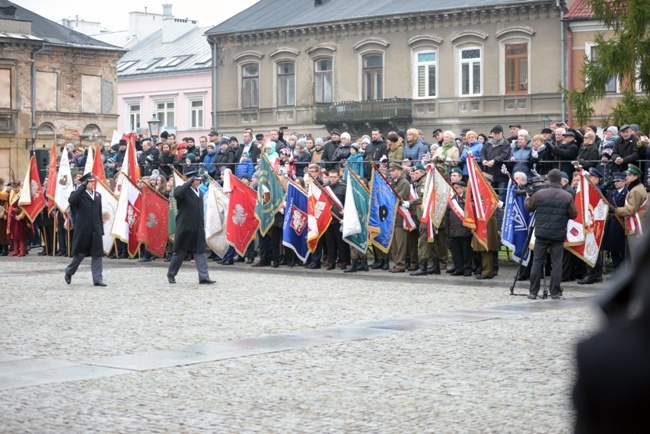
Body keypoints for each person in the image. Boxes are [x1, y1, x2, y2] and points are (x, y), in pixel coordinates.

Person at [524, 169, 578, 299]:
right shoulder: (567, 196)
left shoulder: (540, 193)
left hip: (542, 233)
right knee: (557, 263)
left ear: (548, 180)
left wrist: (527, 199)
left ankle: (533, 292)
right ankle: (554, 292)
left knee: (537, 262)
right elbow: (574, 214)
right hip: (558, 234)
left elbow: (529, 207)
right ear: (560, 180)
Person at [166, 171, 215, 284]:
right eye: (195, 180)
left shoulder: (200, 193)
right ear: (189, 180)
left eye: (199, 180)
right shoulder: (182, 190)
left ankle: (204, 277)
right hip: (185, 228)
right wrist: (187, 183)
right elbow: (177, 195)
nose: (198, 182)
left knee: (200, 252)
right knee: (180, 253)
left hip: (198, 227)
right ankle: (171, 273)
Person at [64, 173, 106, 286]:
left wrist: (100, 228)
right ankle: (69, 271)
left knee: (97, 254)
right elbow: (71, 201)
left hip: (95, 228)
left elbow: (98, 213)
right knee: (80, 254)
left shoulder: (98, 195)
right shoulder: (79, 195)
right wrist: (82, 186)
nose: (93, 183)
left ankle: (97, 279)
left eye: (93, 181)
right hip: (84, 229)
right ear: (86, 183)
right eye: (91, 181)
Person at [611, 164, 648, 263]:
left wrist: (615, 210)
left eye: (629, 175)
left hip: (636, 226)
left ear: (636, 176)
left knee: (636, 256)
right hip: (637, 225)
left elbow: (630, 210)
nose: (626, 177)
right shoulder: (637, 188)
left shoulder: (635, 191)